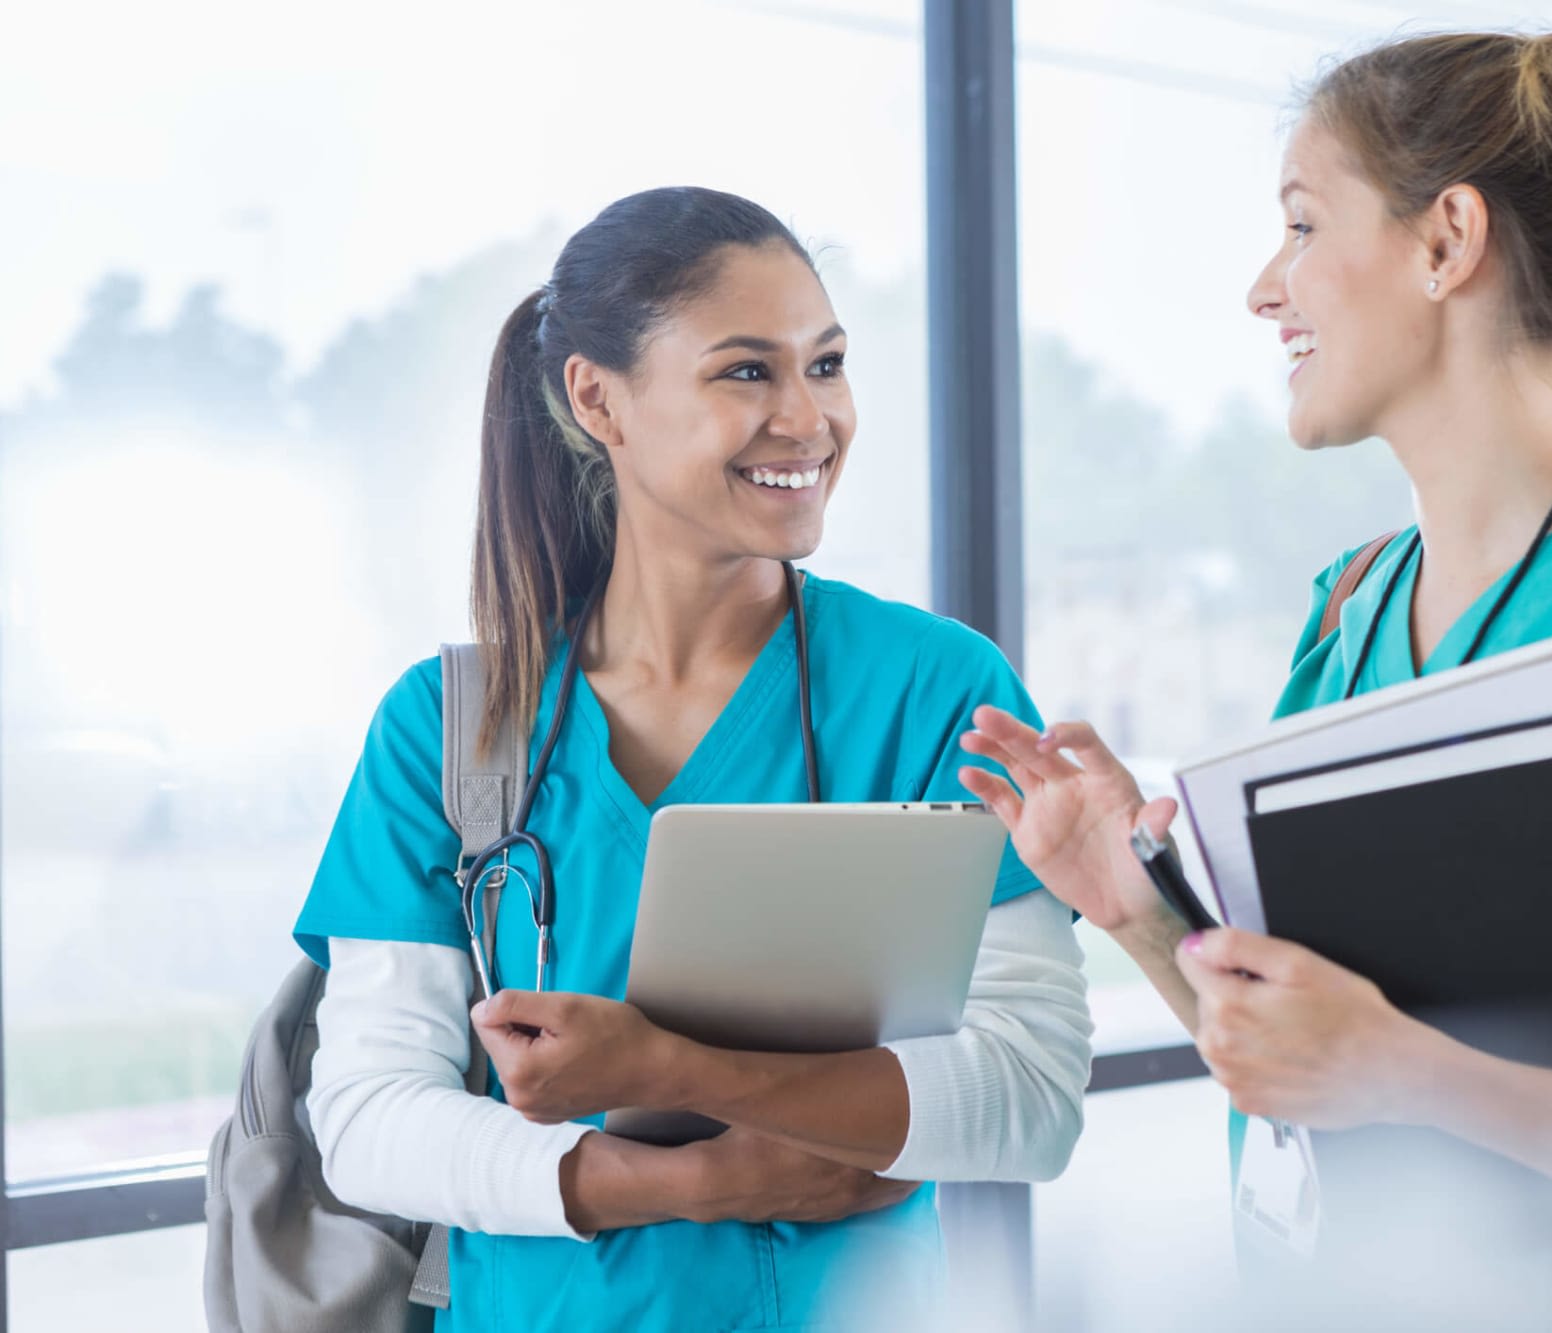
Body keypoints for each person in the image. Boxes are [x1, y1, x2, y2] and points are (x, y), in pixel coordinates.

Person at [962, 4, 1552, 1321]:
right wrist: (1133, 907)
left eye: (1304, 224)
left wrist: (1414, 1071)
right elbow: (1309, 1069)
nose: (1267, 285)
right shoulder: (1348, 613)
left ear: (1446, 240)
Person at [293, 187, 1092, 1331]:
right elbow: (368, 1118)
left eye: (825, 365)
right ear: (596, 399)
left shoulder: (936, 692)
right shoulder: (451, 724)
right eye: (745, 372)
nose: (809, 420)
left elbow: (1029, 1098)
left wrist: (671, 1069)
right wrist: (693, 1180)